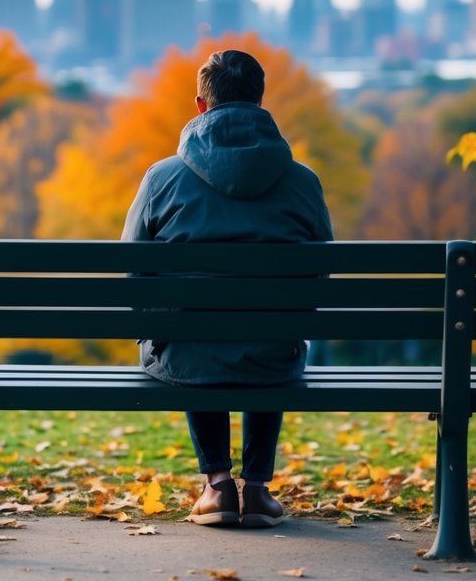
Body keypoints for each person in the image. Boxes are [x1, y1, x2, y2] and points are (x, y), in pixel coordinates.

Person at [121, 49, 333, 528]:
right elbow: (321, 276)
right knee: (272, 332)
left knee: (190, 338)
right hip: (274, 354)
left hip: (187, 355)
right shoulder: (302, 182)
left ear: (201, 106)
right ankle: (256, 489)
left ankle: (217, 486)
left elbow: (131, 272)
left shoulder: (162, 179)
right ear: (260, 101)